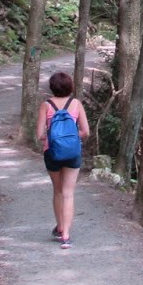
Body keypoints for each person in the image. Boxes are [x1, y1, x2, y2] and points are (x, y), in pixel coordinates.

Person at [36, 70, 90, 249]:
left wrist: (53, 139)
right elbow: (85, 132)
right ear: (70, 87)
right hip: (73, 153)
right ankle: (66, 236)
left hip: (51, 152)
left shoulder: (46, 105)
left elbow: (39, 135)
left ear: (52, 87)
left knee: (58, 191)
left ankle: (59, 227)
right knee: (69, 193)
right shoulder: (76, 104)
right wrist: (71, 138)